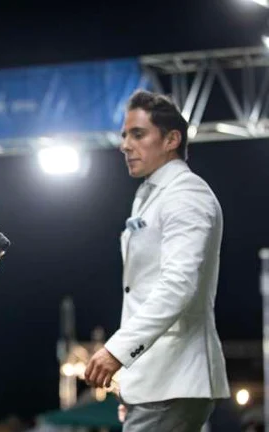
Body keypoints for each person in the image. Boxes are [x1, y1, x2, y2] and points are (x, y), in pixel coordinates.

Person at [83, 90, 230, 431]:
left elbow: (178, 287)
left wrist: (116, 351)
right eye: (124, 135)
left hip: (176, 378)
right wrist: (131, 388)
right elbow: (143, 291)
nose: (125, 145)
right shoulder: (149, 196)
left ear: (171, 139)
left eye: (138, 134)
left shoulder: (187, 194)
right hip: (155, 381)